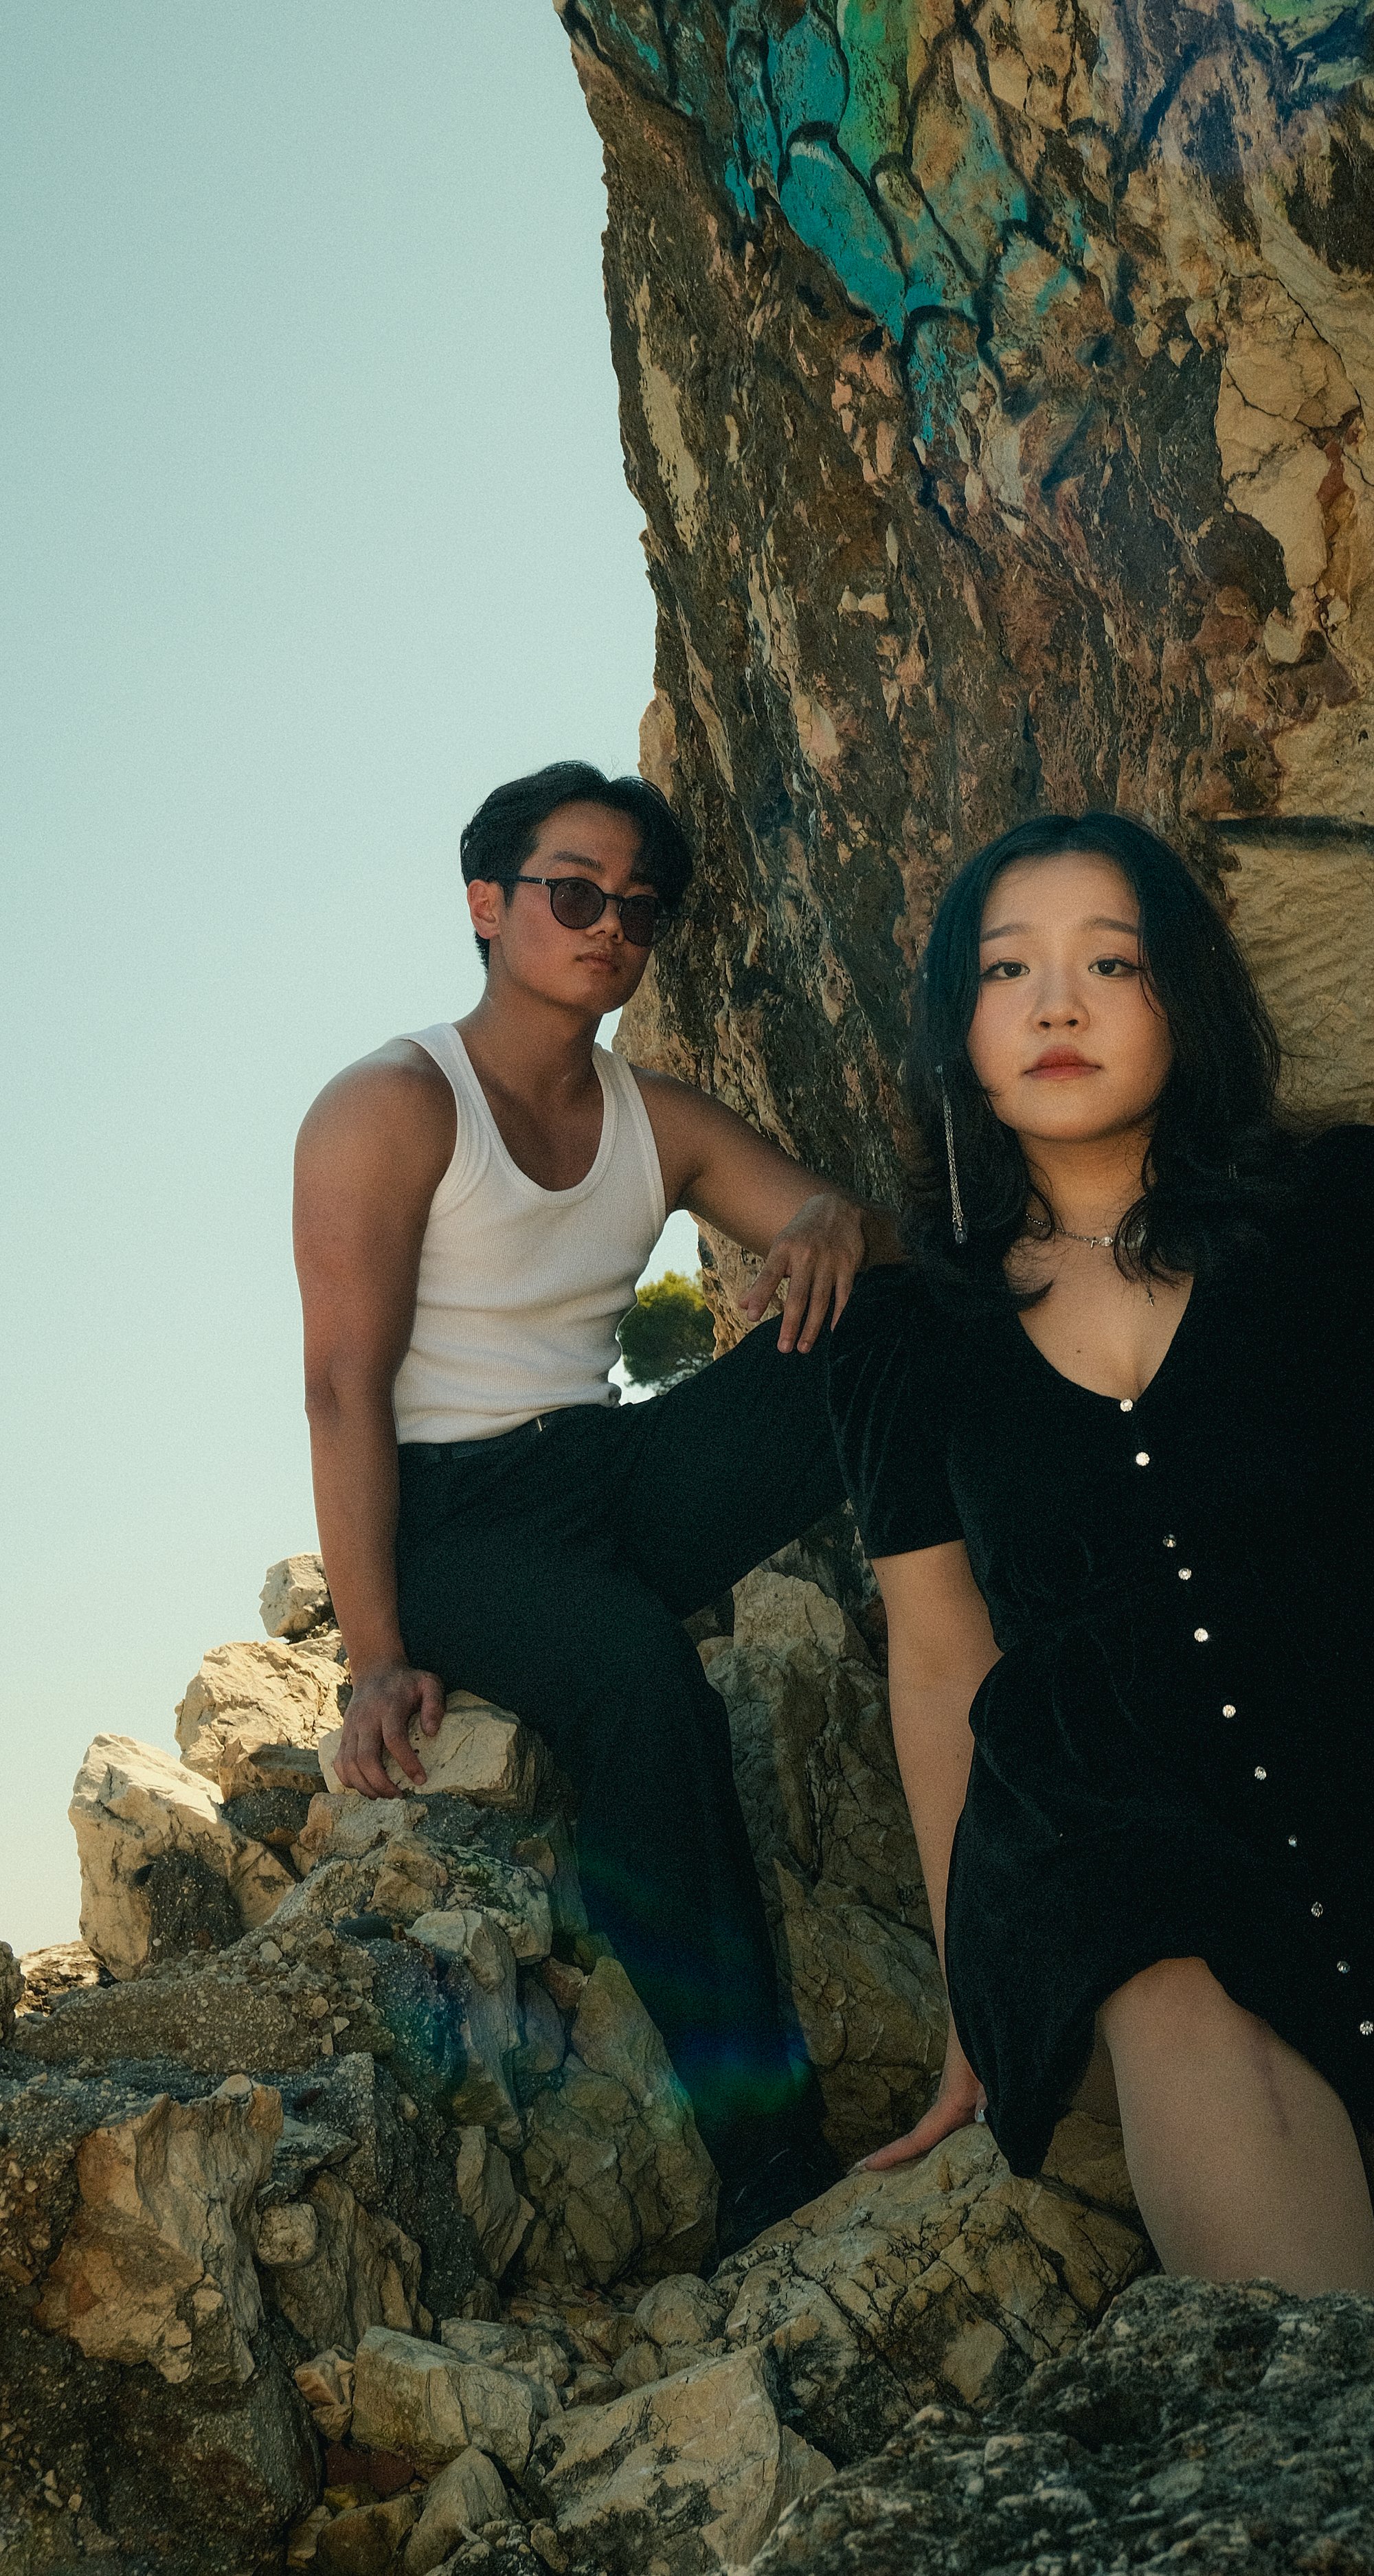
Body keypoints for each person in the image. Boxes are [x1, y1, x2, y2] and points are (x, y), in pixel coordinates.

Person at [826, 810, 1374, 2294]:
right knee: (1290, 2337)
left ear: (1186, 996)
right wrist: (972, 2003)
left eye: (1110, 960)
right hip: (1116, 1859)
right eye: (1007, 971)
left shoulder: (1349, 1218)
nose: (1056, 1003)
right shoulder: (903, 1340)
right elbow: (939, 1667)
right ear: (957, 1029)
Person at [294, 758, 890, 2250]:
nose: (606, 925)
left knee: (895, 1323)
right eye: (572, 892)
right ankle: (764, 2148)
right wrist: (373, 1654)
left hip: (604, 1471)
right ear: (488, 905)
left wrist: (824, 1231)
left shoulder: (656, 1114)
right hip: (450, 1521)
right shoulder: (390, 1102)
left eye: (638, 907)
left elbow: (817, 1215)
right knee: (646, 1691)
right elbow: (341, 1389)